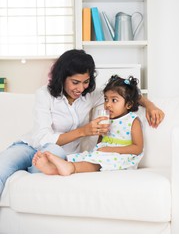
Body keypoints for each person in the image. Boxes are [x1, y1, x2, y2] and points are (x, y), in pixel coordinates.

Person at [0, 49, 164, 195]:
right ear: (62, 77)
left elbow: (124, 93)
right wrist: (83, 131)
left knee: (45, 166)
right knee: (2, 168)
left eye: (86, 82)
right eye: (75, 82)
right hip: (30, 146)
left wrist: (150, 105)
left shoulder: (90, 95)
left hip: (58, 153)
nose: (81, 88)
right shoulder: (44, 94)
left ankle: (31, 169)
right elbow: (42, 137)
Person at [32, 75, 144, 175]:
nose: (108, 104)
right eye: (106, 99)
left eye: (114, 100)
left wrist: (109, 150)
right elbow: (101, 142)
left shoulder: (132, 121)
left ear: (129, 104)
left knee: (98, 162)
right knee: (83, 156)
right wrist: (99, 148)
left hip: (123, 157)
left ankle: (71, 168)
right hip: (104, 153)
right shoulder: (106, 119)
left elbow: (137, 148)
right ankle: (54, 168)